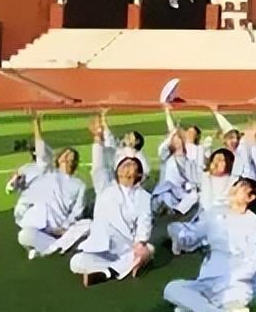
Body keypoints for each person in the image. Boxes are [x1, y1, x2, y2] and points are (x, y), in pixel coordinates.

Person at [162, 178, 256, 312]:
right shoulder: (215, 213)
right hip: (208, 282)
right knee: (172, 289)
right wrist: (176, 232)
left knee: (231, 300)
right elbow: (193, 234)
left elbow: (254, 263)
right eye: (234, 185)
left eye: (241, 187)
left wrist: (228, 281)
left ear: (251, 197)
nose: (234, 189)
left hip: (238, 285)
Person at [71, 121, 153, 286]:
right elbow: (98, 168)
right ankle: (113, 269)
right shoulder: (105, 187)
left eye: (132, 165)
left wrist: (140, 243)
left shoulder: (144, 196)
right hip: (101, 245)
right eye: (123, 164)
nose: (126, 167)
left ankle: (108, 272)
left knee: (147, 250)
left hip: (126, 246)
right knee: (76, 261)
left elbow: (144, 222)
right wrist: (97, 139)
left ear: (138, 174)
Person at [15, 111, 90, 259]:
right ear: (59, 159)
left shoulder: (79, 184)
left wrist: (64, 227)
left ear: (75, 162)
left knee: (88, 225)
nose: (68, 158)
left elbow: (77, 211)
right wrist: (36, 124)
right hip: (41, 225)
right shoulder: (47, 172)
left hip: (61, 227)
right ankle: (57, 247)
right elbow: (41, 149)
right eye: (66, 155)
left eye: (72, 156)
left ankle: (47, 247)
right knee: (23, 235)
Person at [167, 147, 239, 255]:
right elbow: (188, 171)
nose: (216, 163)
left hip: (224, 217)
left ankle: (189, 239)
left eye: (221, 160)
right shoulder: (205, 177)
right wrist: (181, 154)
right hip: (205, 216)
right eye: (214, 160)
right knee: (187, 227)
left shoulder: (234, 181)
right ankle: (189, 239)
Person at [152, 125, 202, 215]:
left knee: (194, 196)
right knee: (166, 196)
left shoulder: (188, 159)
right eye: (174, 140)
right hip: (167, 188)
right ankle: (166, 208)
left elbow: (192, 178)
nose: (176, 142)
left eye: (178, 139)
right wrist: (171, 135)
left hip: (180, 191)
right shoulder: (167, 156)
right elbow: (161, 149)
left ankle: (177, 210)